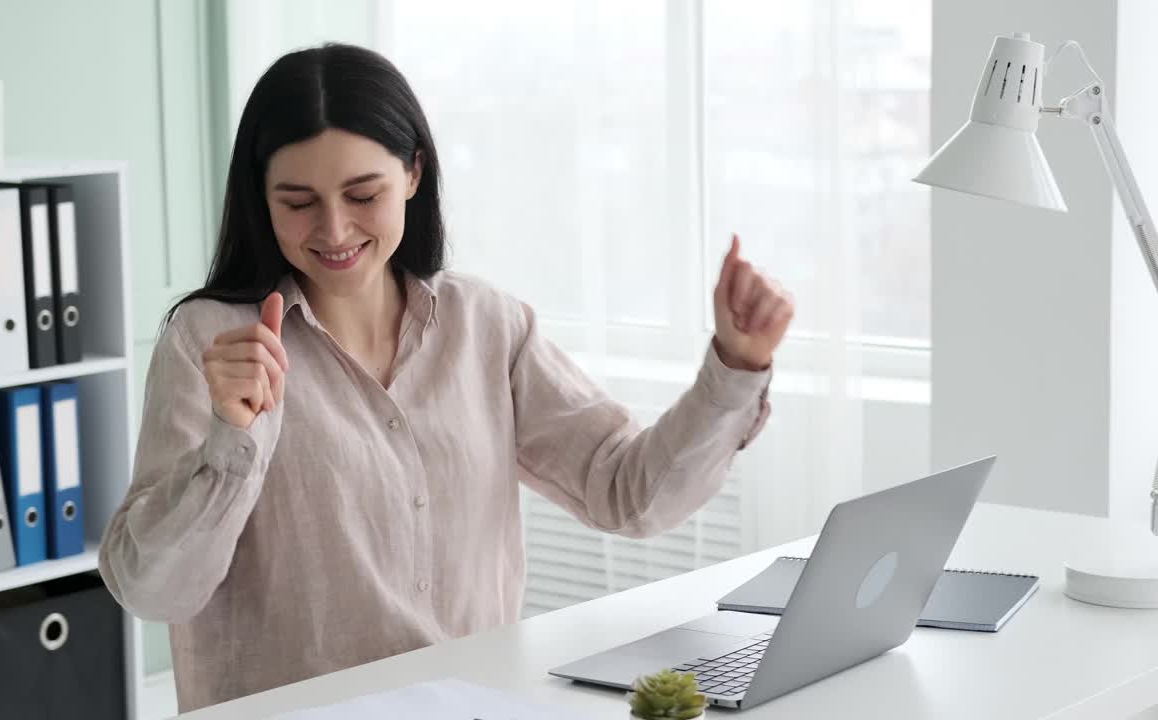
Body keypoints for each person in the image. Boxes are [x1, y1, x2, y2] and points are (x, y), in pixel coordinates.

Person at [99, 43, 793, 713]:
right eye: (299, 201)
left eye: (362, 193)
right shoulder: (211, 343)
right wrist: (231, 442)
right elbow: (155, 592)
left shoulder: (487, 326)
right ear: (262, 198)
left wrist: (736, 364)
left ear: (413, 175)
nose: (334, 229)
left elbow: (629, 492)